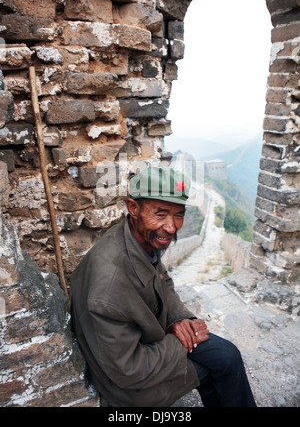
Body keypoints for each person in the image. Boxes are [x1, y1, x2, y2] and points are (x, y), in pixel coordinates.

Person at [70, 166, 256, 407]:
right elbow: (128, 369)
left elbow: (163, 281)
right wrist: (180, 341)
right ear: (133, 208)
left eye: (179, 215)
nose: (172, 227)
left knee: (227, 354)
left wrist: (177, 319)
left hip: (146, 341)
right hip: (129, 386)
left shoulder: (137, 238)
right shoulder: (109, 283)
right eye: (161, 214)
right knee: (221, 366)